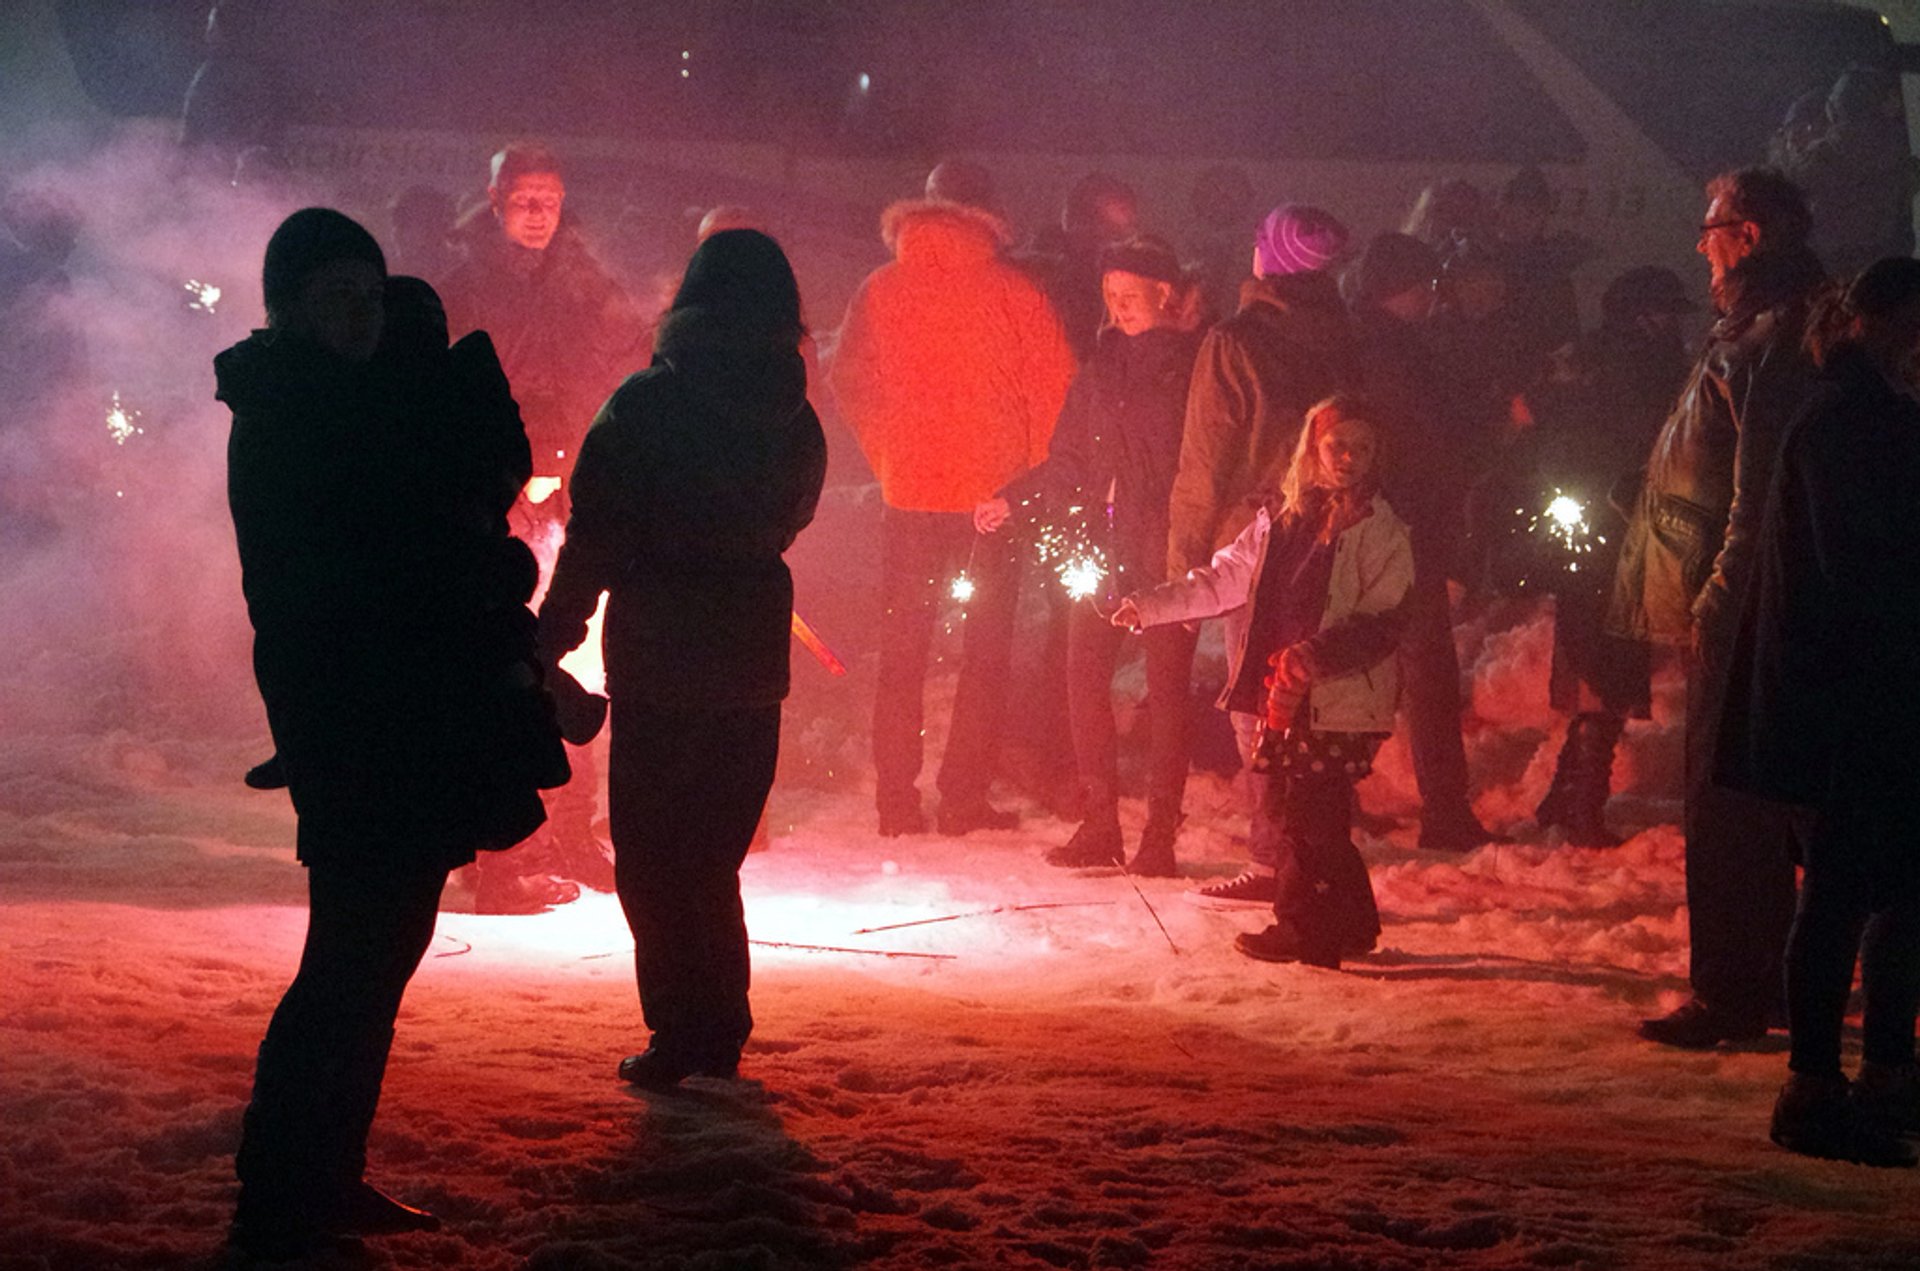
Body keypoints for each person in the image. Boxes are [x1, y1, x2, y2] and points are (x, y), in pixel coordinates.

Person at [220, 209, 558, 1256]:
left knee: (383, 949)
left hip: (402, 715)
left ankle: (326, 1170)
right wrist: (488, 571)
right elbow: (358, 571)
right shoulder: (289, 414)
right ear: (291, 310)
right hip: (348, 715)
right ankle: (280, 1187)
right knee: (351, 956)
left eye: (372, 292)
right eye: (337, 298)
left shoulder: (359, 397)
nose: (363, 316)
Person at [538, 230, 826, 1089]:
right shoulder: (797, 415)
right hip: (749, 655)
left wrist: (552, 630)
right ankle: (718, 1033)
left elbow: (594, 533)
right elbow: (794, 513)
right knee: (712, 856)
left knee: (655, 858)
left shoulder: (644, 405)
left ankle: (681, 1032)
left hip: (661, 652)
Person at [1611, 167, 1826, 1050]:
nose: (1701, 241)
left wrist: (1721, 599)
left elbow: (1759, 487)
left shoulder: (1777, 333)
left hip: (1743, 605)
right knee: (1759, 795)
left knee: (1728, 799)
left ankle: (1733, 991)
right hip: (1748, 597)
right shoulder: (1753, 326)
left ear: (1753, 234)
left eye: (1714, 226)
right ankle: (1766, 978)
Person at [1718, 258, 1920, 1168]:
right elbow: (1861, 565)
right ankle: (1813, 1084)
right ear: (1881, 326)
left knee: (1900, 889)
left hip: (1871, 694)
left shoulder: (1869, 415)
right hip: (1850, 701)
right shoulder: (1845, 421)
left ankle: (1884, 1073)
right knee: (1842, 889)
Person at [1116, 396, 1413, 967]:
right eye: (1337, 445)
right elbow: (1225, 579)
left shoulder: (1379, 530)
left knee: (1306, 817)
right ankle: (1348, 923)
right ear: (1312, 448)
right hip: (1286, 695)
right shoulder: (1284, 521)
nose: (1349, 458)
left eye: (1363, 448)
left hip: (1337, 699)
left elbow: (1384, 618)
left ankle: (1305, 929)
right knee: (1309, 813)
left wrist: (1317, 655)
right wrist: (1151, 606)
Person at [440, 142, 651, 908]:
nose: (538, 214)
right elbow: (467, 387)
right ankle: (503, 853)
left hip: (568, 493)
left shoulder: (581, 279)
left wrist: (582, 452)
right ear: (495, 200)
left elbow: (615, 362)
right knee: (512, 667)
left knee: (575, 658)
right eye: (525, 199)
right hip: (500, 502)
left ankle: (569, 832)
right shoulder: (468, 285)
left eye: (550, 201)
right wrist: (519, 463)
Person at [829, 191, 1076, 837]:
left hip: (908, 493)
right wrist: (1027, 476)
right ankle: (963, 798)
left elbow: (849, 379)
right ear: (984, 221)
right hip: (991, 500)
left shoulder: (880, 288)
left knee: (903, 649)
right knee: (985, 651)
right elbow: (1058, 392)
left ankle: (895, 803)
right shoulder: (1016, 290)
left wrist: (890, 454)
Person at [978, 236, 1204, 875]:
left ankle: (1160, 836)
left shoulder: (1193, 367)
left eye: (1132, 295)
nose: (1121, 306)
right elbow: (1070, 458)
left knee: (1166, 693)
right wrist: (1014, 498)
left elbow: (1204, 461)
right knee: (1084, 680)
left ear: (1166, 295)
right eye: (1112, 296)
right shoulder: (1100, 367)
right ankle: (1100, 823)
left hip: (1163, 550)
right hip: (1100, 550)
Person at [1166, 202, 1359, 907]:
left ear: (1269, 260)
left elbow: (1203, 462)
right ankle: (1314, 849)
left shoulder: (1236, 342)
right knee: (1310, 697)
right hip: (1331, 535)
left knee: (1256, 703)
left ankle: (1278, 858)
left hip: (1255, 539)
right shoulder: (1347, 337)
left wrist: (1186, 567)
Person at [1344, 231, 1503, 852]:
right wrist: (1495, 427)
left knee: (1354, 668)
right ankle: (1444, 809)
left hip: (1362, 528)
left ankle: (1338, 799)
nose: (1432, 299)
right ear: (1403, 290)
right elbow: (1432, 447)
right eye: (1425, 288)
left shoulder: (1354, 344)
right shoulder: (1399, 355)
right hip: (1404, 530)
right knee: (1426, 670)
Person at [1525, 267, 1694, 845]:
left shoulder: (1600, 361)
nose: (1671, 324)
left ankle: (1564, 796)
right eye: (1663, 313)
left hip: (1610, 530)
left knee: (1606, 662)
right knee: (1606, 665)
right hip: (1608, 533)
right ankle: (1580, 806)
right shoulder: (1624, 367)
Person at [1785, 66, 1919, 278]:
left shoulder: (1820, 157)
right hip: (1888, 268)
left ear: (1833, 109)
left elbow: (1784, 192)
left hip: (1833, 271)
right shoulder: (1902, 151)